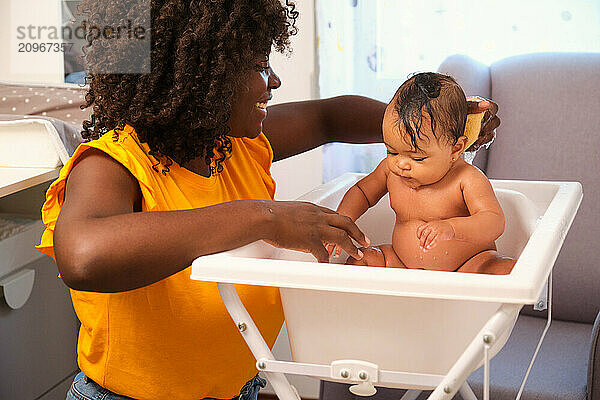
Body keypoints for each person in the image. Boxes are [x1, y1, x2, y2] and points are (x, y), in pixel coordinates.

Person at [35, 2, 500, 400]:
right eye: (259, 65)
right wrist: (262, 217)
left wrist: (431, 130)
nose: (274, 80)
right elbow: (84, 255)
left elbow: (328, 116)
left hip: (243, 387)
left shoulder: (234, 144)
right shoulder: (114, 162)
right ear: (202, 73)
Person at [333, 72, 515, 275]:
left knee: (507, 269)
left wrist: (452, 228)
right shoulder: (390, 171)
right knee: (361, 261)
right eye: (392, 151)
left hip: (467, 268)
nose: (401, 163)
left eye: (417, 158)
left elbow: (494, 222)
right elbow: (362, 192)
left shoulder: (466, 179)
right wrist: (342, 220)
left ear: (456, 149)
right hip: (402, 263)